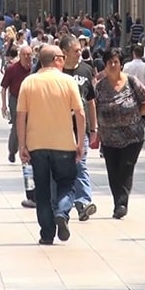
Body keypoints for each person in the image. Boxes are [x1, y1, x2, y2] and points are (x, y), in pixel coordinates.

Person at [17, 45, 85, 245]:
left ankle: (47, 234)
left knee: (43, 190)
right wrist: (80, 142)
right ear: (56, 59)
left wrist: (22, 144)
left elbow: (21, 115)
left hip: (37, 145)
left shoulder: (28, 82)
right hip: (64, 144)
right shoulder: (68, 81)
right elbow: (80, 113)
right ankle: (62, 213)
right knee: (66, 184)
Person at [94, 48, 145, 218]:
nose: (113, 65)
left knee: (126, 167)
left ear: (121, 64)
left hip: (132, 136)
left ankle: (122, 203)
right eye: (109, 62)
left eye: (116, 61)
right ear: (104, 66)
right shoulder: (99, 87)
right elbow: (93, 108)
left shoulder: (131, 81)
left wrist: (136, 115)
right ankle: (117, 202)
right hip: (108, 138)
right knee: (113, 171)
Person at [59, 35, 99, 221]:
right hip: (58, 129)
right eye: (76, 50)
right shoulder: (55, 72)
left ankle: (83, 202)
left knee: (80, 164)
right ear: (64, 53)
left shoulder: (86, 70)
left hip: (80, 128)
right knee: (63, 168)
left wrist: (94, 129)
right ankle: (63, 203)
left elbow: (90, 101)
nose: (80, 53)